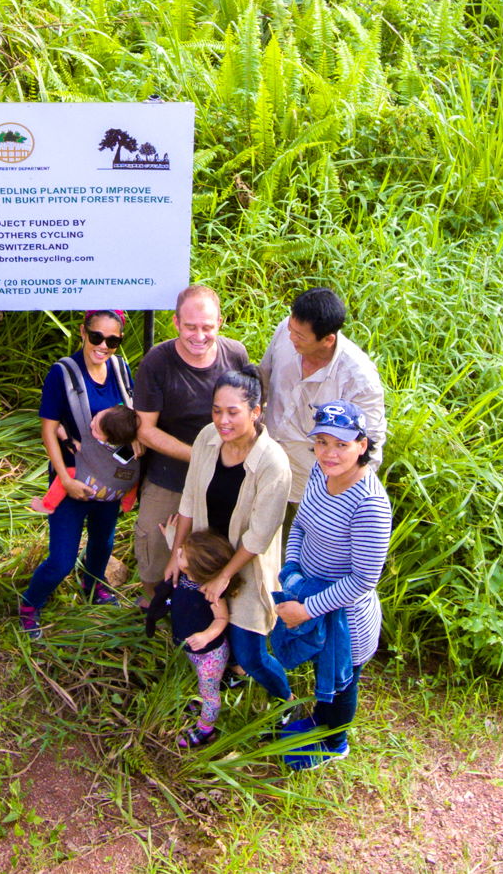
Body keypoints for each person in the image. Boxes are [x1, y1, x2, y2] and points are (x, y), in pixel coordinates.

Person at [273, 400, 392, 771]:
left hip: (347, 620)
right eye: (322, 442)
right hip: (308, 595)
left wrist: (305, 608)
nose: (329, 452)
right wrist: (290, 572)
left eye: (341, 444)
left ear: (362, 445)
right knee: (321, 672)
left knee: (341, 681)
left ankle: (335, 742)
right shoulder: (318, 474)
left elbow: (363, 580)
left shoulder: (370, 504)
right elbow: (301, 526)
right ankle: (318, 723)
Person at [168, 370, 294, 710]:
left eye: (233, 412)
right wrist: (177, 553)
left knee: (251, 653)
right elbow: (189, 501)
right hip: (205, 557)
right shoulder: (207, 438)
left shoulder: (273, 463)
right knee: (203, 623)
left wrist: (225, 576)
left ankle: (286, 702)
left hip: (246, 565)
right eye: (216, 410)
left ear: (256, 411)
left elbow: (259, 536)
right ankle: (221, 679)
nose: (222, 421)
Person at [18, 311, 136, 637]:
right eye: (96, 337)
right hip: (72, 477)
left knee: (103, 542)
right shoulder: (64, 373)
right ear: (83, 332)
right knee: (61, 560)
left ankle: (93, 585)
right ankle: (30, 604)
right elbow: (48, 429)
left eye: (112, 341)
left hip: (109, 480)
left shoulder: (120, 369)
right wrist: (65, 481)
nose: (103, 346)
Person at [133, 285, 255, 600]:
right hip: (170, 472)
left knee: (215, 546)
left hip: (225, 472)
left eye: (207, 328)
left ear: (220, 324)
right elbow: (145, 429)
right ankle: (153, 603)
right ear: (175, 323)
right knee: (154, 546)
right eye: (190, 327)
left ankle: (208, 608)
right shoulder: (157, 361)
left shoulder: (235, 354)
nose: (198, 336)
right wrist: (200, 456)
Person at [260, 287, 385, 515]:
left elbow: (369, 445)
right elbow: (263, 380)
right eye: (291, 329)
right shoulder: (286, 332)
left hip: (312, 486)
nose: (291, 338)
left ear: (328, 340)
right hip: (264, 462)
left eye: (299, 336)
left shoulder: (359, 379)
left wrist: (342, 498)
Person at [145, 530, 240, 750]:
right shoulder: (185, 577)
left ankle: (206, 728)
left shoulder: (209, 590)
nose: (178, 551)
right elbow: (178, 560)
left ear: (195, 566)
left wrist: (206, 635)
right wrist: (172, 537)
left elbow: (222, 618)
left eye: (183, 552)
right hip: (191, 650)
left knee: (210, 691)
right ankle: (202, 704)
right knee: (203, 683)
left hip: (209, 655)